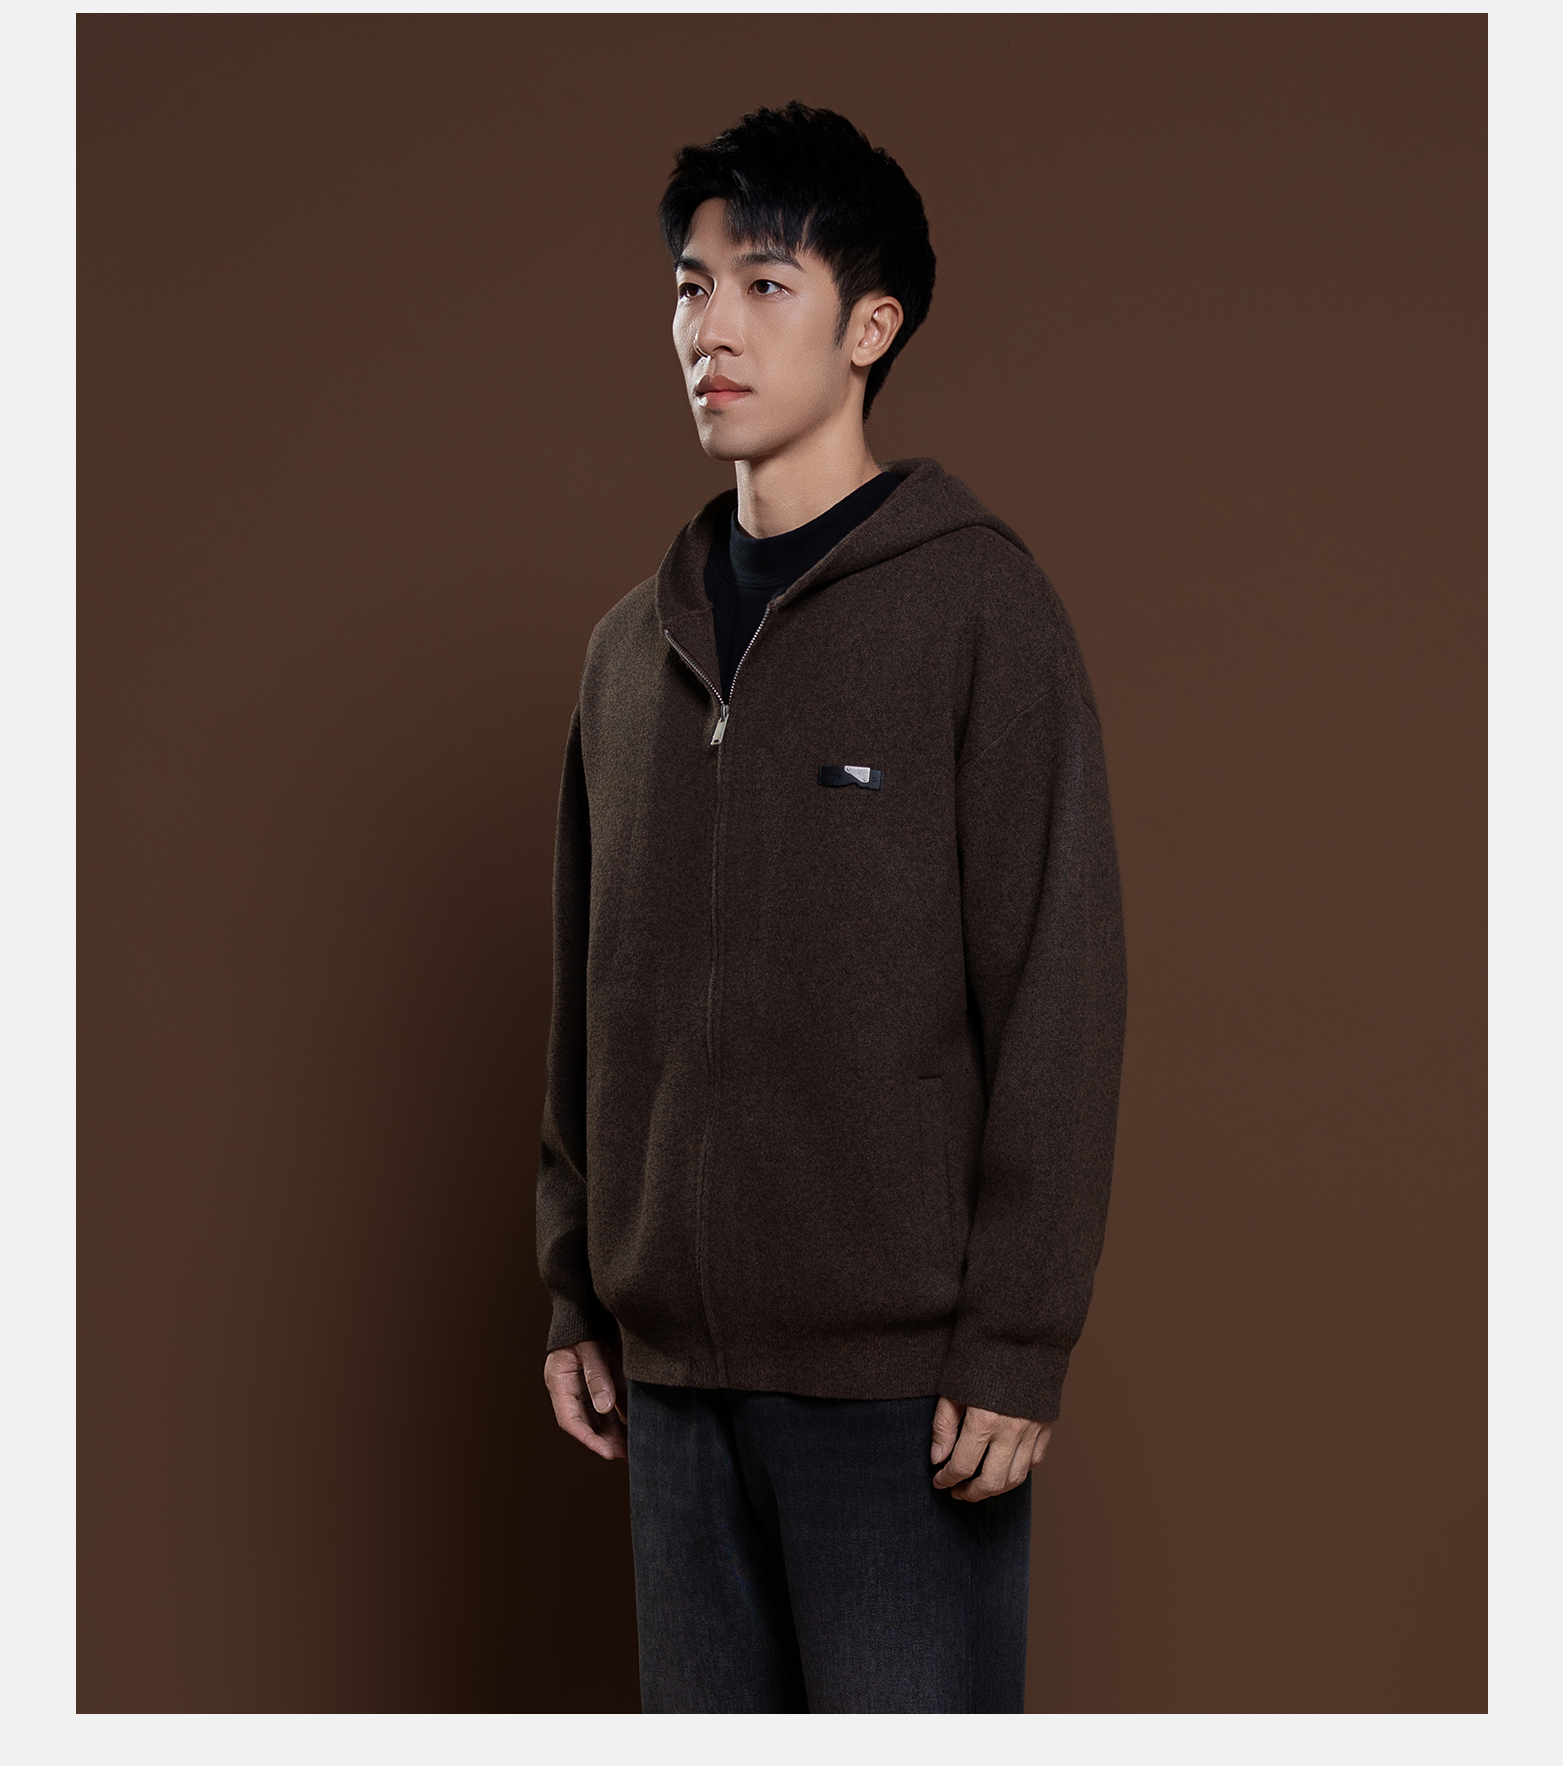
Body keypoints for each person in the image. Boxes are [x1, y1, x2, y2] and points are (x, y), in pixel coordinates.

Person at [536, 101, 1127, 1714]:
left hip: (899, 1395)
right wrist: (576, 1284)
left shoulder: (980, 611)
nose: (708, 329)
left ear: (870, 327)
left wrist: (1016, 1339)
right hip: (669, 1385)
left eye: (763, 284)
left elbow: (1060, 982)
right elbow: (590, 998)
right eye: (688, 286)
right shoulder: (625, 655)